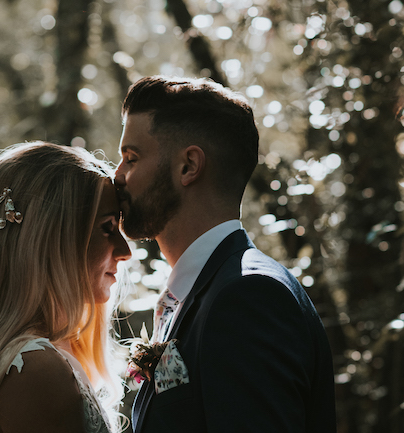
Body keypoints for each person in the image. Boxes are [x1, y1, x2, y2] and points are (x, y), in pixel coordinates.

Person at [115, 76, 337, 433]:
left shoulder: (249, 297)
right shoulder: (206, 289)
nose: (119, 175)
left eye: (131, 158)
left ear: (188, 166)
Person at [0, 141, 131, 433]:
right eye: (107, 228)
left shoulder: (17, 361)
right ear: (52, 241)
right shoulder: (37, 371)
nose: (124, 250)